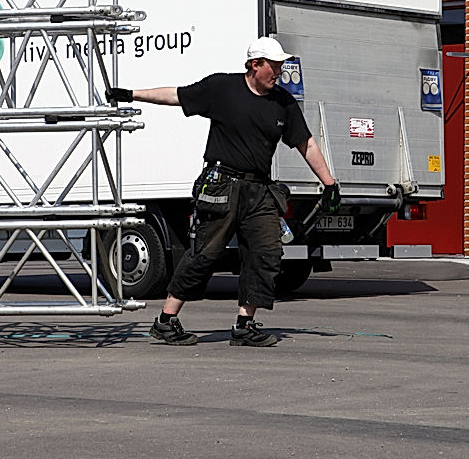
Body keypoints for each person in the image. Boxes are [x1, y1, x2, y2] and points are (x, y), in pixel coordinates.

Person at [106, 37, 340, 348]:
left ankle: (245, 325)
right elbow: (176, 95)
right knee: (205, 254)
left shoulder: (283, 103)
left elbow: (305, 143)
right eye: (274, 66)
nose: (279, 72)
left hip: (260, 191)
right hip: (222, 186)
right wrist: (132, 94)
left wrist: (329, 183)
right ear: (254, 64)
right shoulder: (222, 88)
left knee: (265, 254)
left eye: (281, 66)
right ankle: (166, 320)